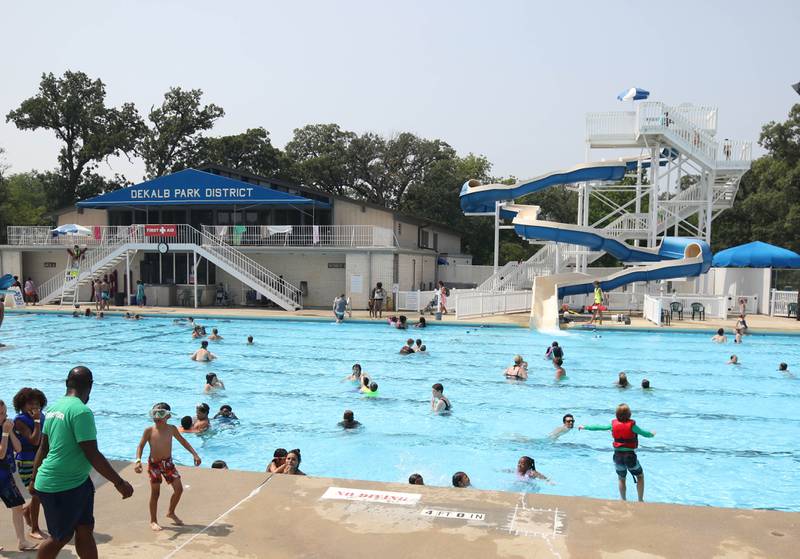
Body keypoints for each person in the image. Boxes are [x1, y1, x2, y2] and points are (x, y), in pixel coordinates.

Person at [31, 366, 134, 558]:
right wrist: (119, 482)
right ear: (90, 386)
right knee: (60, 536)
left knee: (85, 528)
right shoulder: (81, 412)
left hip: (77, 482)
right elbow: (92, 453)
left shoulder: (54, 408)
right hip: (60, 484)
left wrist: (33, 480)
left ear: (67, 383)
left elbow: (43, 448)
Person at [134, 403, 201, 531]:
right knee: (155, 493)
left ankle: (171, 512)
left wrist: (194, 454)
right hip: (154, 465)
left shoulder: (172, 429)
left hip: (168, 464)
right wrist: (138, 461)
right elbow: (140, 446)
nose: (157, 417)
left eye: (161, 414)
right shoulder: (149, 430)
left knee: (179, 489)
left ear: (168, 416)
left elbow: (183, 441)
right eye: (154, 413)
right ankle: (153, 520)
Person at [579, 403, 655, 502]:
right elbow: (645, 434)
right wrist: (652, 434)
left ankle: (623, 500)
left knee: (621, 478)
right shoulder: (633, 426)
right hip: (630, 456)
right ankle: (640, 500)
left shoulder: (613, 425)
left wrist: (585, 427)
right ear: (629, 414)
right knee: (640, 476)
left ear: (616, 415)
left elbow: (598, 427)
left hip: (618, 456)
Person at [1, 400, 39, 552]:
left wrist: (9, 432)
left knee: (17, 506)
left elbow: (18, 447)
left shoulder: (5, 427)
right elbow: (1, 453)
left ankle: (22, 541)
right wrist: (4, 432)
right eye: (0, 414)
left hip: (6, 475)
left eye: (4, 413)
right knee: (17, 506)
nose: (3, 416)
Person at [12, 388, 47, 541]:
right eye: (30, 404)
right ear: (22, 404)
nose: (35, 407)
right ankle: (34, 528)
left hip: (42, 459)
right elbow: (34, 440)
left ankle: (27, 511)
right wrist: (37, 421)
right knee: (37, 493)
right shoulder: (19, 421)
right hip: (26, 460)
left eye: (37, 404)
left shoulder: (43, 416)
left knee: (41, 492)